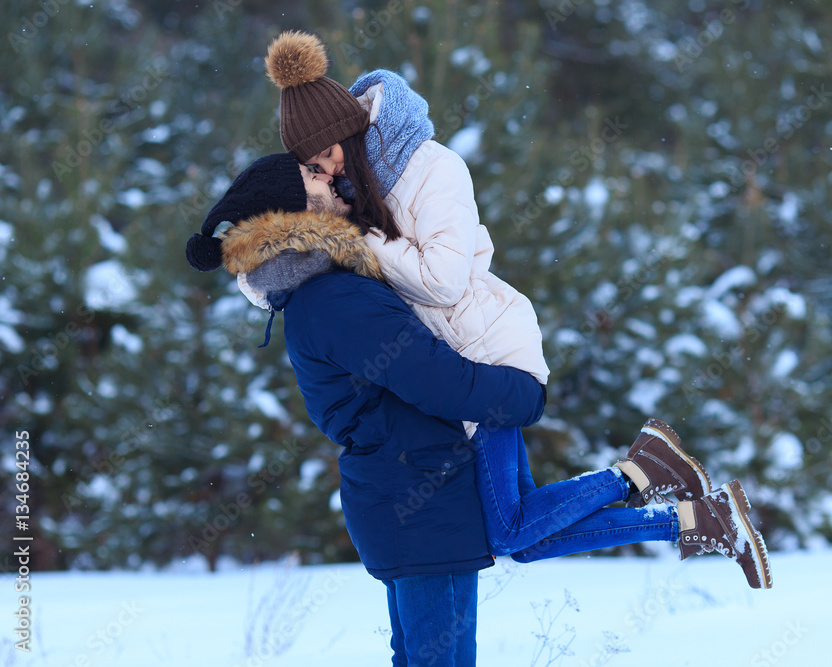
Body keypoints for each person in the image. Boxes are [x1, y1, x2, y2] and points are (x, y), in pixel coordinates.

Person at [185, 152, 771, 664]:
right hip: (418, 498)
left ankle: (671, 497)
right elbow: (435, 379)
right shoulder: (334, 297)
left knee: (514, 546)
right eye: (312, 176)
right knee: (512, 550)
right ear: (291, 211)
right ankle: (663, 491)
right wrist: (516, 398)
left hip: (417, 491)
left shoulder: (331, 287)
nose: (331, 179)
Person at [248, 29, 772, 584]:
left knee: (509, 529)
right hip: (456, 365)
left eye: (328, 154)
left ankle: (644, 477)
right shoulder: (352, 193)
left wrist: (354, 240)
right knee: (519, 533)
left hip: (488, 353)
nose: (327, 172)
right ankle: (700, 517)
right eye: (313, 167)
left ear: (350, 130)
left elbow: (442, 282)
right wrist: (270, 254)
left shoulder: (432, 168)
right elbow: (283, 270)